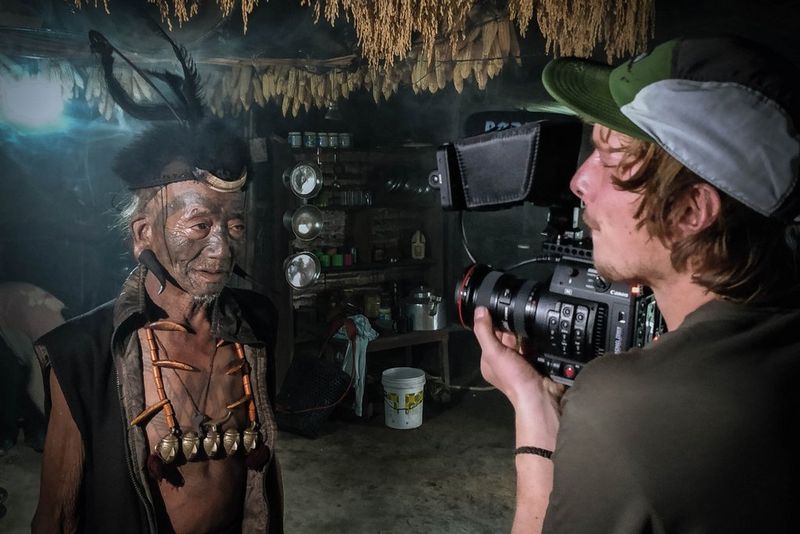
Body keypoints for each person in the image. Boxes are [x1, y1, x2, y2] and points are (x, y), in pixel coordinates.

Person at [474, 36, 800, 533]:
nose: (579, 181)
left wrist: (533, 414)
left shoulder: (629, 409)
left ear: (690, 210)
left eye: (612, 157)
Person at [31, 31, 283, 533]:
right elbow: (57, 515)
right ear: (143, 234)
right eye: (199, 224)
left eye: (234, 225)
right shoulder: (83, 355)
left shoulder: (256, 323)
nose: (222, 247)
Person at [0, 282, 65, 453]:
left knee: (34, 384)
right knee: (14, 378)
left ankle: (39, 432)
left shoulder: (55, 336)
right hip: (15, 327)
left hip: (36, 333)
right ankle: (8, 434)